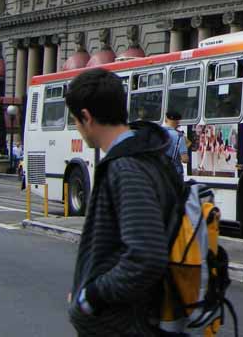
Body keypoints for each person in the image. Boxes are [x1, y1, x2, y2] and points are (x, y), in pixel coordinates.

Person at [65, 68, 181, 337]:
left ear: (87, 116)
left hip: (124, 325)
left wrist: (91, 296)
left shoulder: (126, 168)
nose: (78, 128)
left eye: (76, 121)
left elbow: (145, 256)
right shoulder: (147, 155)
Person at [162, 110, 189, 181]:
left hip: (160, 173)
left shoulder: (158, 133)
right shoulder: (179, 136)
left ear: (165, 120)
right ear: (178, 122)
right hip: (175, 173)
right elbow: (185, 159)